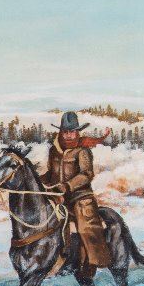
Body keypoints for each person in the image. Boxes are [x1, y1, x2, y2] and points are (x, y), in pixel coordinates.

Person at [41, 111, 111, 267]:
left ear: (77, 132)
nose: (68, 135)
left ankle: (95, 262)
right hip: (58, 197)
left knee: (87, 228)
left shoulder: (83, 151)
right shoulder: (53, 150)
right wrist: (36, 180)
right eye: (65, 131)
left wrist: (68, 185)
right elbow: (50, 173)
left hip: (80, 197)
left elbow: (86, 174)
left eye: (72, 131)